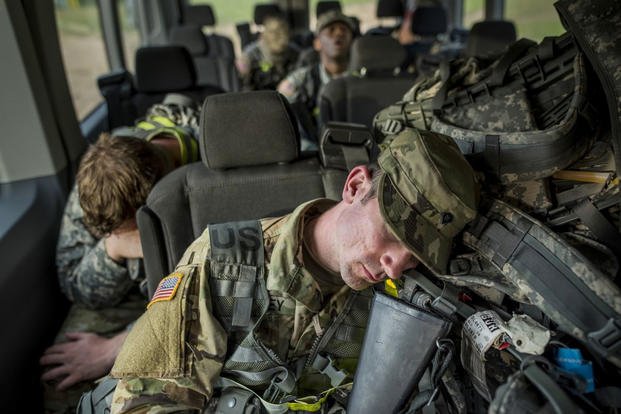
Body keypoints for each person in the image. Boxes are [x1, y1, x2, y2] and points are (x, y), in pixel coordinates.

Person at [107, 128, 479, 413]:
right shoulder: (222, 265)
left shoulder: (398, 301)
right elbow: (143, 404)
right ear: (355, 186)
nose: (395, 267)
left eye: (414, 255)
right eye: (391, 232)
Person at [40, 95, 201, 413]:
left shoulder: (215, 172)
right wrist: (113, 250)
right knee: (61, 386)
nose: (110, 236)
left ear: (157, 203)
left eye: (122, 230)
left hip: (195, 301)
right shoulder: (104, 175)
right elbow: (74, 283)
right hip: (134, 295)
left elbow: (217, 295)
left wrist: (118, 346)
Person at [277, 10, 355, 149]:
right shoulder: (302, 80)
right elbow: (278, 108)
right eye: (331, 30)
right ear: (317, 43)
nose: (338, 34)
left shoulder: (361, 79)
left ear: (352, 40)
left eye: (344, 30)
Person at [236, 15, 300, 91]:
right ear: (263, 38)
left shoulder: (295, 53)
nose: (278, 58)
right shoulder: (250, 55)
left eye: (280, 53)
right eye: (274, 54)